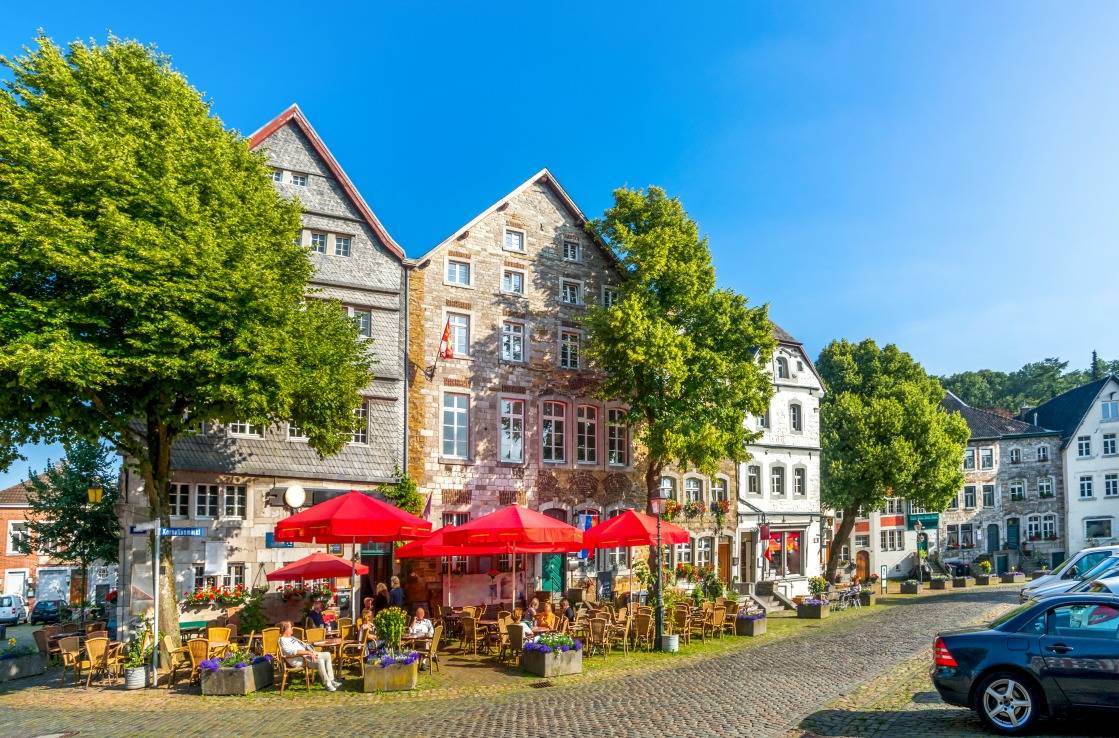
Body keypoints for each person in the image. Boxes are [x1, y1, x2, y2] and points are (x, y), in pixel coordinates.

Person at [278, 620, 342, 691]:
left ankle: (331, 679)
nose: (292, 628)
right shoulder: (283, 640)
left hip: (305, 655)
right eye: (290, 627)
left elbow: (304, 645)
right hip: (298, 659)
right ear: (285, 629)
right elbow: (292, 652)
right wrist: (308, 653)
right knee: (320, 661)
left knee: (327, 654)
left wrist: (313, 648)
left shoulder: (291, 638)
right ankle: (327, 684)